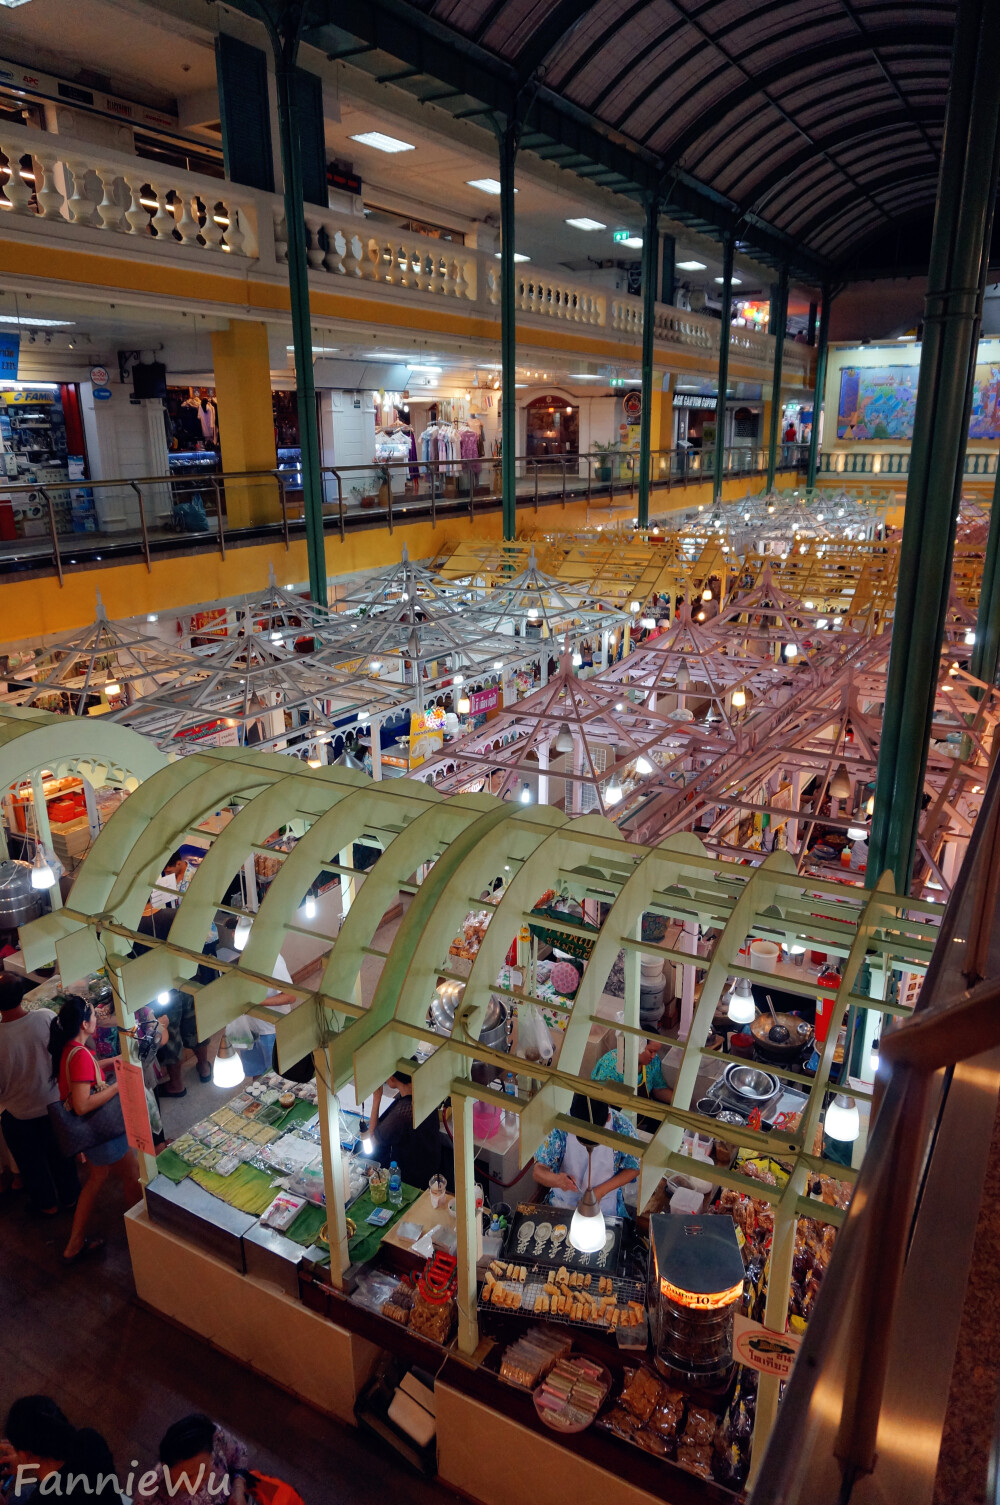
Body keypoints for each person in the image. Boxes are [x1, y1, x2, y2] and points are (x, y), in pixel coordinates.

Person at [48, 994, 142, 1263]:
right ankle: (143, 1229)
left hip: (93, 1136)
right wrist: (116, 1086)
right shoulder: (78, 1055)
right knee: (132, 1173)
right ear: (84, 1024)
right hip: (102, 1133)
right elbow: (81, 1105)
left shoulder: (72, 1049)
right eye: (93, 1015)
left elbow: (87, 1070)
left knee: (96, 1180)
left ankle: (75, 1241)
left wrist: (112, 1061)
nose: (96, 1019)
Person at [0, 976, 78, 1216]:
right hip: (53, 1102)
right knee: (62, 1155)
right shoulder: (45, 1017)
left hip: (19, 1112)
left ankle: (47, 1205)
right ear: (22, 994)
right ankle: (71, 1197)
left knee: (31, 1163)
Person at [534, 1092, 639, 1218]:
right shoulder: (559, 1126)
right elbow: (538, 1171)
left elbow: (634, 1167)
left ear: (608, 1118)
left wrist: (600, 1192)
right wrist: (557, 1180)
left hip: (605, 1207)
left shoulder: (621, 1126)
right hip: (565, 1205)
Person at [143, 1414, 247, 1505]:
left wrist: (238, 1489)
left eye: (204, 1470)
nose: (196, 1484)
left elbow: (240, 1454)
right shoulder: (150, 1495)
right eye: (187, 1477)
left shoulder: (215, 1438)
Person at [369, 1069, 441, 1190]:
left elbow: (373, 1140)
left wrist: (377, 1098)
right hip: (430, 1170)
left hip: (411, 1180)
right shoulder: (426, 1094)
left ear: (392, 1078)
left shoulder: (402, 1112)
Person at [0, 1395, 75, 1500]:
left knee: (19, 1496)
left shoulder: (42, 1499)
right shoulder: (90, 1437)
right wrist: (28, 1460)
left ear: (25, 1453)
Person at [590, 1039, 673, 1104]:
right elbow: (599, 1101)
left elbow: (659, 1089)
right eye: (651, 1051)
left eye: (656, 1052)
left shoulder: (653, 1062)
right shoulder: (610, 1067)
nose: (653, 1056)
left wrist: (680, 1104)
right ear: (638, 1046)